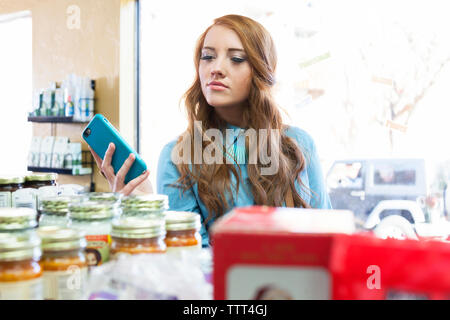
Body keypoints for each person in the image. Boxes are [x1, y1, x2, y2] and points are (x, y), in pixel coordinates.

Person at [90, 14, 332, 247]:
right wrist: (146, 211)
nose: (216, 68)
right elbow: (191, 259)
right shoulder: (179, 156)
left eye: (236, 59)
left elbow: (326, 235)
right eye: (207, 57)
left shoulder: (299, 143)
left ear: (261, 71)